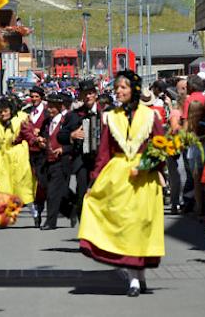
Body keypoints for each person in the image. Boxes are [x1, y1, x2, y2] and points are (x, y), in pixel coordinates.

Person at [78, 70, 165, 297]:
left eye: (124, 87)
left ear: (134, 89)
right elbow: (104, 153)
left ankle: (139, 274)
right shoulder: (111, 117)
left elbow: (160, 146)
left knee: (140, 226)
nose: (119, 91)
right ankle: (134, 278)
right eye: (117, 88)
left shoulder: (150, 115)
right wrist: (93, 183)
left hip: (144, 179)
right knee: (126, 226)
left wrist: (148, 165)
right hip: (117, 177)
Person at [0, 97, 37, 213]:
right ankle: (4, 215)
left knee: (22, 188)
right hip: (3, 159)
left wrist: (37, 142)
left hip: (19, 158)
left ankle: (34, 212)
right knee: (2, 187)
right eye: (0, 111)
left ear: (11, 110)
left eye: (5, 111)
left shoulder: (20, 121)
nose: (3, 114)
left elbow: (29, 136)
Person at [39, 92, 81, 230]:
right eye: (48, 106)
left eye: (52, 106)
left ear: (60, 106)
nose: (49, 109)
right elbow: (42, 136)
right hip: (48, 160)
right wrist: (40, 141)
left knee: (53, 192)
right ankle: (72, 209)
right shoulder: (47, 122)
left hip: (62, 161)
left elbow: (76, 140)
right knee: (59, 191)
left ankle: (50, 222)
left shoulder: (68, 120)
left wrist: (64, 149)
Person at [70, 79, 102, 220]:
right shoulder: (75, 114)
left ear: (96, 94)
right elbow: (61, 135)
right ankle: (84, 224)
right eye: (85, 94)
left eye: (90, 93)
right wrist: (72, 135)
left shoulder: (107, 112)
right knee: (82, 193)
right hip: (82, 160)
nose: (88, 96)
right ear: (81, 96)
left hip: (102, 160)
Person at [23, 86, 48, 227]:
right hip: (27, 151)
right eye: (32, 97)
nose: (33, 99)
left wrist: (42, 134)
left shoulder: (46, 114)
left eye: (36, 97)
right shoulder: (26, 112)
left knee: (40, 181)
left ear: (41, 98)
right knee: (29, 181)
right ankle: (34, 207)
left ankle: (39, 207)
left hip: (41, 152)